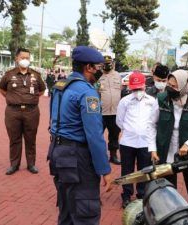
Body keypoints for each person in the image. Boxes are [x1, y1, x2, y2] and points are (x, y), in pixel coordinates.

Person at [48, 46, 112, 225]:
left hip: (57, 152)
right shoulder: (87, 92)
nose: (100, 70)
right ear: (89, 67)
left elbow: (53, 119)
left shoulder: (60, 86)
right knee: (85, 212)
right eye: (98, 67)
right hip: (77, 158)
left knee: (67, 210)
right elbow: (94, 136)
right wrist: (104, 170)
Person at [148, 69, 188, 211]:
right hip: (165, 149)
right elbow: (151, 125)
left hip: (187, 152)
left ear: (185, 86)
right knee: (167, 186)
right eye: (169, 84)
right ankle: (170, 213)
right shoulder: (161, 99)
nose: (170, 88)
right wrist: (152, 148)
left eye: (174, 86)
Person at [0, 47, 46, 175]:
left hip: (32, 112)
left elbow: (41, 90)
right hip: (13, 112)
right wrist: (12, 99)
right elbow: (2, 89)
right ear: (16, 58)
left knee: (31, 139)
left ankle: (31, 164)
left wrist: (30, 99)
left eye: (27, 58)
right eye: (22, 58)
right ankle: (14, 165)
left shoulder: (36, 75)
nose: (25, 60)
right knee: (14, 139)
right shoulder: (9, 74)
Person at [116, 72, 154, 208]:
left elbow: (154, 121)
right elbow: (119, 121)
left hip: (145, 142)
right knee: (127, 170)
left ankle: (142, 195)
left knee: (144, 170)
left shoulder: (152, 101)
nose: (138, 91)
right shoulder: (124, 101)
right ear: (131, 87)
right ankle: (126, 195)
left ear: (144, 86)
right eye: (135, 88)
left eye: (140, 88)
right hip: (128, 142)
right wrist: (131, 130)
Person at [97, 55, 122, 165]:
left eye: (109, 63)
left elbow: (120, 91)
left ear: (112, 63)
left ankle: (113, 155)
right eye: (105, 63)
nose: (107, 65)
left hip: (115, 112)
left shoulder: (117, 76)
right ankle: (98, 156)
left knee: (114, 135)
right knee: (97, 134)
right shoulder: (97, 76)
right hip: (101, 112)